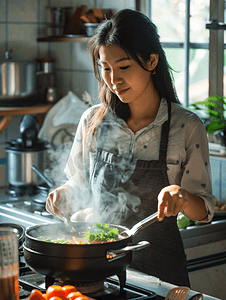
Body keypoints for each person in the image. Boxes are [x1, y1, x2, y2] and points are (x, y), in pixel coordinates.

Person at [46, 9, 216, 287]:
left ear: (151, 61)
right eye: (106, 68)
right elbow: (77, 186)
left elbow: (205, 211)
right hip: (101, 274)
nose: (114, 80)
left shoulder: (185, 126)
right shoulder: (93, 121)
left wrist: (182, 197)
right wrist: (63, 195)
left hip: (163, 280)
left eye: (124, 67)